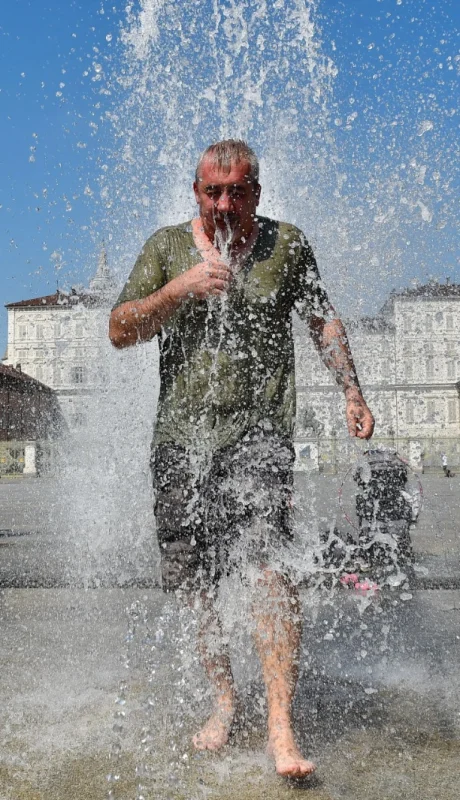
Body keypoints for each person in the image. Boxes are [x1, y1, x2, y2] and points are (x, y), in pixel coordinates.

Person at [109, 139, 374, 778]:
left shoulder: (287, 246)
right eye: (213, 192)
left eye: (238, 192)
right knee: (195, 584)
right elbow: (120, 330)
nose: (225, 204)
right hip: (180, 441)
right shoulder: (167, 248)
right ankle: (224, 701)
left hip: (260, 435)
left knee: (269, 569)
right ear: (196, 192)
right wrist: (180, 289)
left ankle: (281, 726)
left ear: (257, 191)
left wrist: (351, 390)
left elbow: (322, 321)